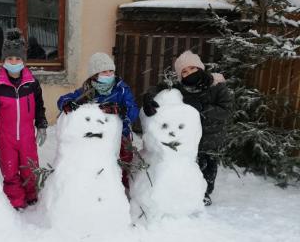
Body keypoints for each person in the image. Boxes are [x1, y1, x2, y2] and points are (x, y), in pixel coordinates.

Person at [142, 50, 232, 206]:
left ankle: (205, 193)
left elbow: (227, 111)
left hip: (210, 136)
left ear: (200, 68)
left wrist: (204, 108)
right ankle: (187, 192)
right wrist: (149, 97)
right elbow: (160, 87)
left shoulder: (217, 86)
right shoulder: (181, 87)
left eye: (192, 68)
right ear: (180, 75)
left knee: (208, 165)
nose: (189, 73)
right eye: (184, 71)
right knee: (191, 165)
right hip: (189, 137)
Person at [57, 52, 140, 189]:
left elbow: (133, 111)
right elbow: (63, 99)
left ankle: (123, 187)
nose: (109, 75)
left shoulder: (121, 89)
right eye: (104, 72)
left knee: (124, 161)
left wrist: (121, 110)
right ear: (94, 75)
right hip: (97, 138)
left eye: (111, 71)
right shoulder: (87, 90)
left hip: (121, 134)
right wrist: (67, 103)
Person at [0, 28, 48, 210]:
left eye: (17, 58)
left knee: (29, 167)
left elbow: (39, 106)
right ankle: (16, 199)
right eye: (9, 59)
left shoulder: (31, 83)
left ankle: (31, 194)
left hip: (27, 135)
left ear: (23, 60)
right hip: (5, 137)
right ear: (4, 61)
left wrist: (42, 124)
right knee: (10, 169)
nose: (14, 62)